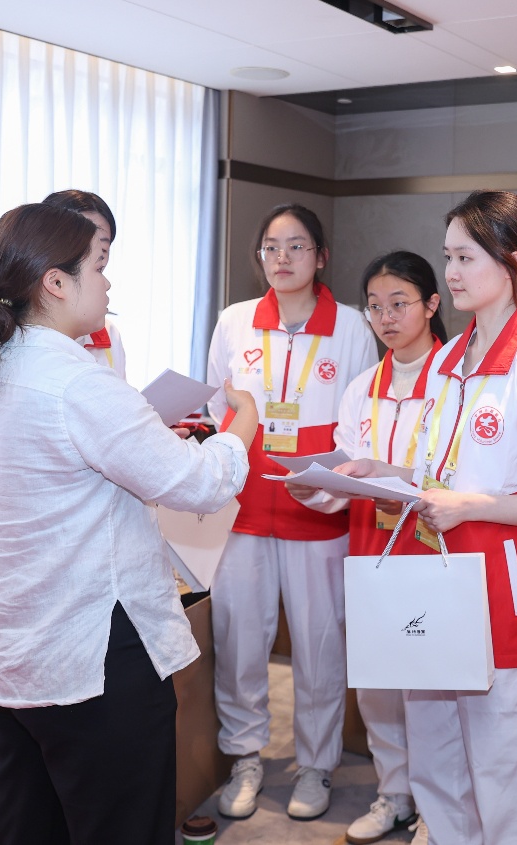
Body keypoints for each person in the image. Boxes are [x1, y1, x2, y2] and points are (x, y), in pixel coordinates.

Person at [0, 202, 256, 845]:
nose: (108, 284)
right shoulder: (78, 382)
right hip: (93, 655)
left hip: (9, 653)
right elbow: (200, 484)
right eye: (99, 267)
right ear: (56, 282)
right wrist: (241, 425)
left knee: (27, 826)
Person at [340, 190, 517, 845]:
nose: (451, 272)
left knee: (512, 789)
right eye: (448, 256)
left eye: (466, 257)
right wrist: (388, 473)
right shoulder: (449, 358)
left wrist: (477, 507)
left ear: (513, 261)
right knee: (439, 776)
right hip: (441, 593)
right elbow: (447, 472)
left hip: (511, 607)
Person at [0, 188, 132, 842]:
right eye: (94, 255)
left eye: (106, 253)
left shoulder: (102, 336)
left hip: (71, 555)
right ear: (50, 268)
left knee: (63, 733)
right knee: (5, 730)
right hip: (4, 554)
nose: (104, 273)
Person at [206, 204, 377, 821]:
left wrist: (334, 483)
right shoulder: (234, 321)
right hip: (246, 509)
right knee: (238, 642)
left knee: (319, 646)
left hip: (319, 513)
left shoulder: (352, 327)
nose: (282, 258)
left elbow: (363, 420)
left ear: (321, 256)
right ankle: (244, 756)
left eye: (297, 246)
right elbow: (218, 406)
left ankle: (315, 764)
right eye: (271, 247)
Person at [287, 251, 447, 844]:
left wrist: (393, 475)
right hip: (372, 545)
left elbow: (458, 473)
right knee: (379, 684)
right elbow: (347, 480)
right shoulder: (361, 389)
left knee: (432, 686)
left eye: (399, 303)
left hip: (433, 549)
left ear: (432, 304)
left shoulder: (455, 379)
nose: (386, 317)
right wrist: (314, 487)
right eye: (375, 307)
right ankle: (394, 793)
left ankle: (437, 809)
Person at [43, 190, 128, 378]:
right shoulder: (20, 339)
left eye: (103, 248)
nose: (95, 256)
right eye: (82, 246)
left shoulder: (107, 333)